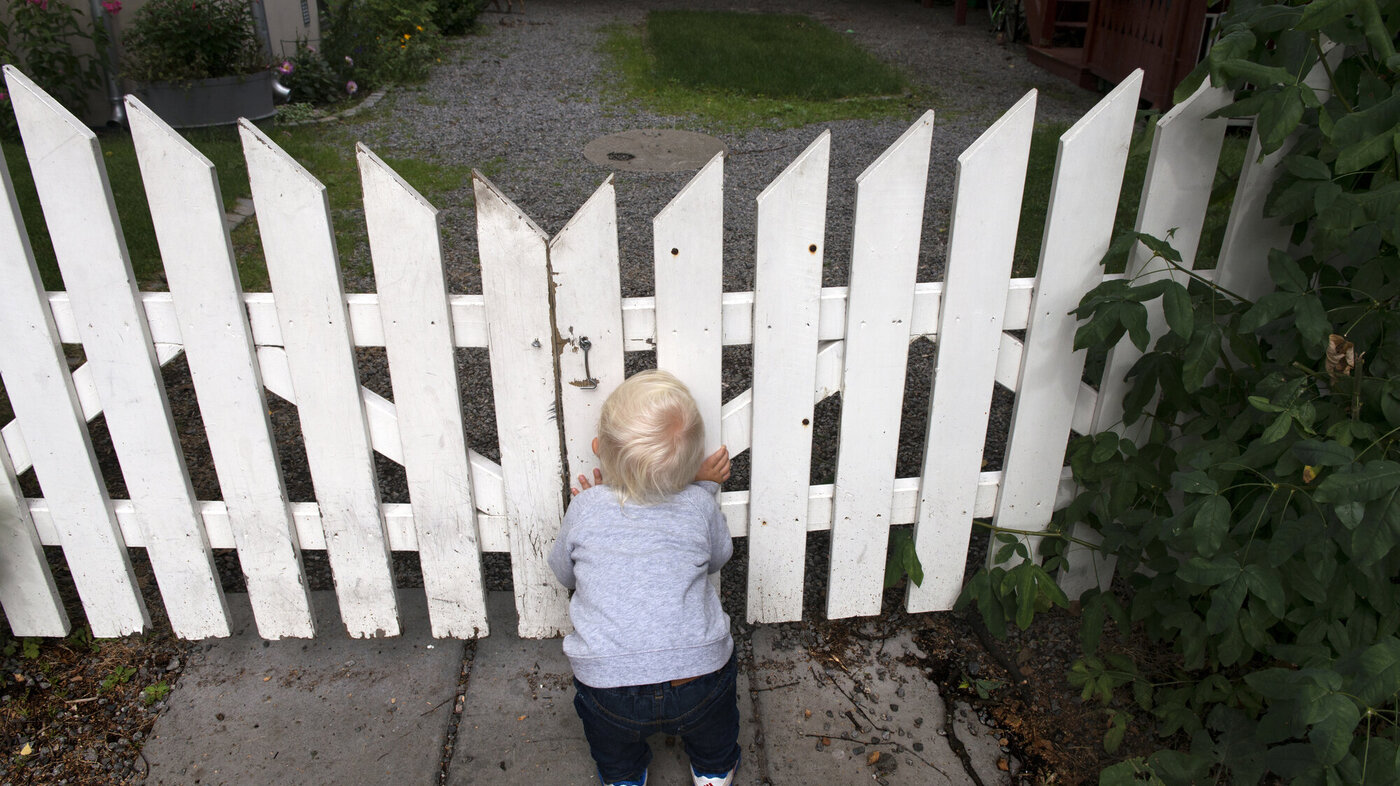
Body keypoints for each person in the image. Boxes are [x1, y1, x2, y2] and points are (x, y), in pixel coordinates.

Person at [548, 369, 740, 786]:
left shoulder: (585, 508)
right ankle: (713, 770)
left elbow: (564, 573)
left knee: (612, 745)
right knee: (715, 727)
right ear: (690, 464)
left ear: (599, 449)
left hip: (608, 688)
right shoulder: (697, 503)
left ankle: (623, 776)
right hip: (698, 679)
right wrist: (702, 487)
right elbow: (718, 558)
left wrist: (591, 518)